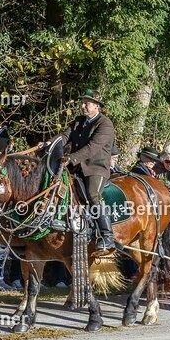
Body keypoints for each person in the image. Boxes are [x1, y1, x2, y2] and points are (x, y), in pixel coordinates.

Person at [54, 89, 117, 255]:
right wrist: (48, 144)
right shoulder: (78, 121)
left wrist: (71, 158)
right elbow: (64, 137)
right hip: (76, 166)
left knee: (92, 194)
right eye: (82, 103)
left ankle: (107, 236)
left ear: (96, 106)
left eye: (86, 103)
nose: (83, 106)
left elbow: (92, 148)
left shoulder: (105, 124)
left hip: (96, 167)